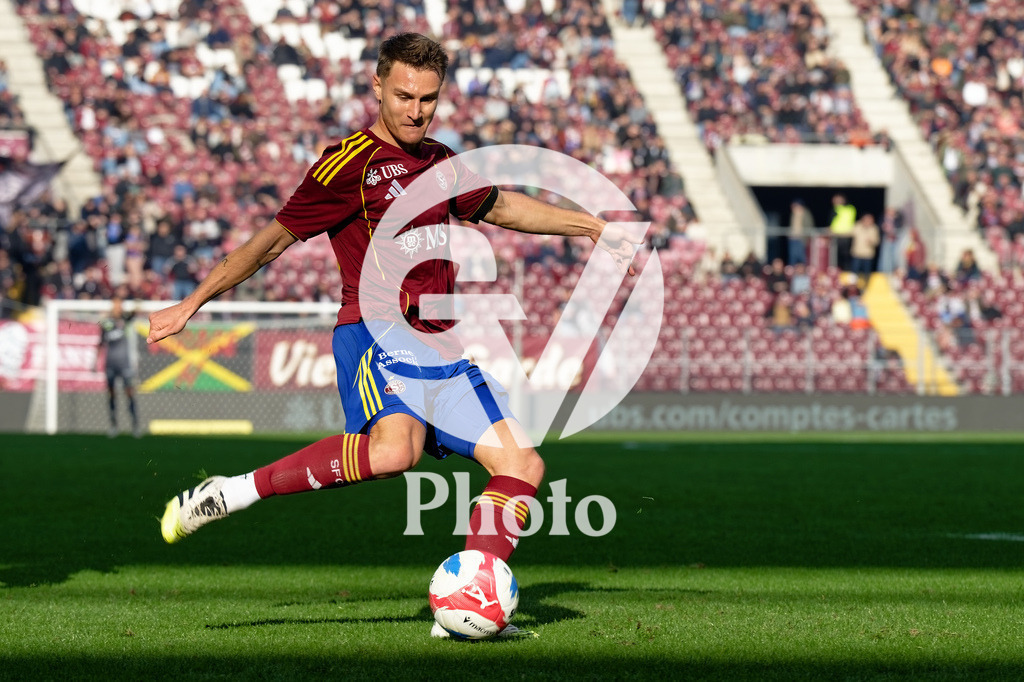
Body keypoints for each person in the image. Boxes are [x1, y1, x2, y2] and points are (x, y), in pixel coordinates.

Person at [147, 33, 637, 639]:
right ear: (377, 86)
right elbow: (269, 241)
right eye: (404, 95)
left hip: (440, 344)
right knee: (394, 452)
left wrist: (589, 226)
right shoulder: (346, 164)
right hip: (374, 331)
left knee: (523, 465)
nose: (415, 110)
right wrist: (192, 303)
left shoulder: (441, 160)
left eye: (427, 99)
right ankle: (235, 490)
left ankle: (471, 602)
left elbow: (503, 207)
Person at [96, 291, 142, 438]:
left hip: (125, 363)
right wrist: (95, 362)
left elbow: (135, 311)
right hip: (110, 363)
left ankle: (135, 426)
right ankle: (113, 426)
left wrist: (137, 296)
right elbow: (100, 343)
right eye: (115, 303)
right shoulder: (106, 323)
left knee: (129, 393)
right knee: (111, 395)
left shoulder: (126, 319)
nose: (117, 307)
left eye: (119, 304)